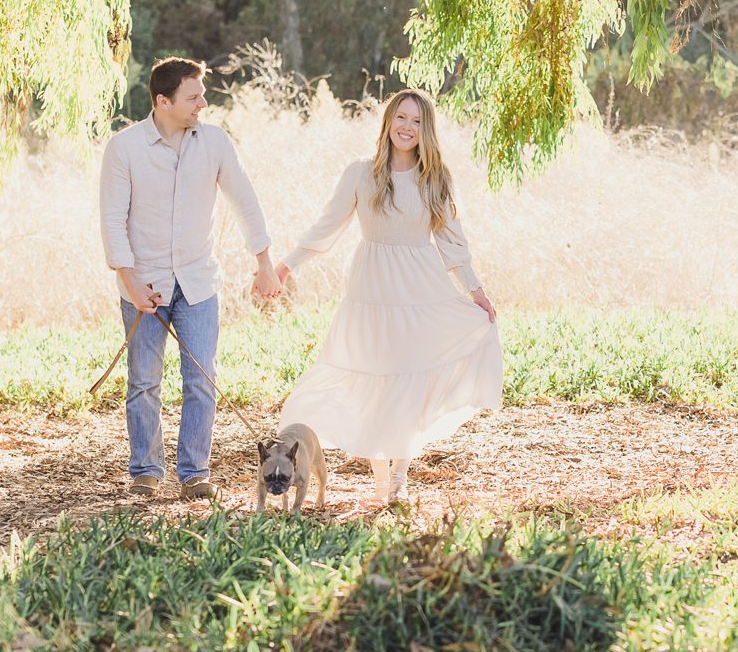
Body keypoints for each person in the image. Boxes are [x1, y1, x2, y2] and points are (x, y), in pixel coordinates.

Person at [275, 88, 502, 506]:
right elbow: (326, 227)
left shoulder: (435, 178)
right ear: (388, 122)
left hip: (420, 289)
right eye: (401, 118)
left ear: (426, 129)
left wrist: (477, 292)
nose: (407, 127)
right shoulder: (361, 174)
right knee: (374, 376)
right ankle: (380, 473)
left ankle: (399, 474)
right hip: (370, 290)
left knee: (407, 377)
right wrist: (285, 266)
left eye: (416, 121)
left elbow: (453, 242)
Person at [100, 57, 282, 499]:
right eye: (193, 96)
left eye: (202, 94)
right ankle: (145, 469)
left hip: (199, 283)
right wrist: (129, 280)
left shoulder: (215, 142)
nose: (204, 102)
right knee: (144, 380)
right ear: (163, 102)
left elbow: (244, 201)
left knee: (201, 379)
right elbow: (112, 220)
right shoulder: (124, 149)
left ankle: (194, 472)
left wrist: (264, 262)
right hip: (145, 284)